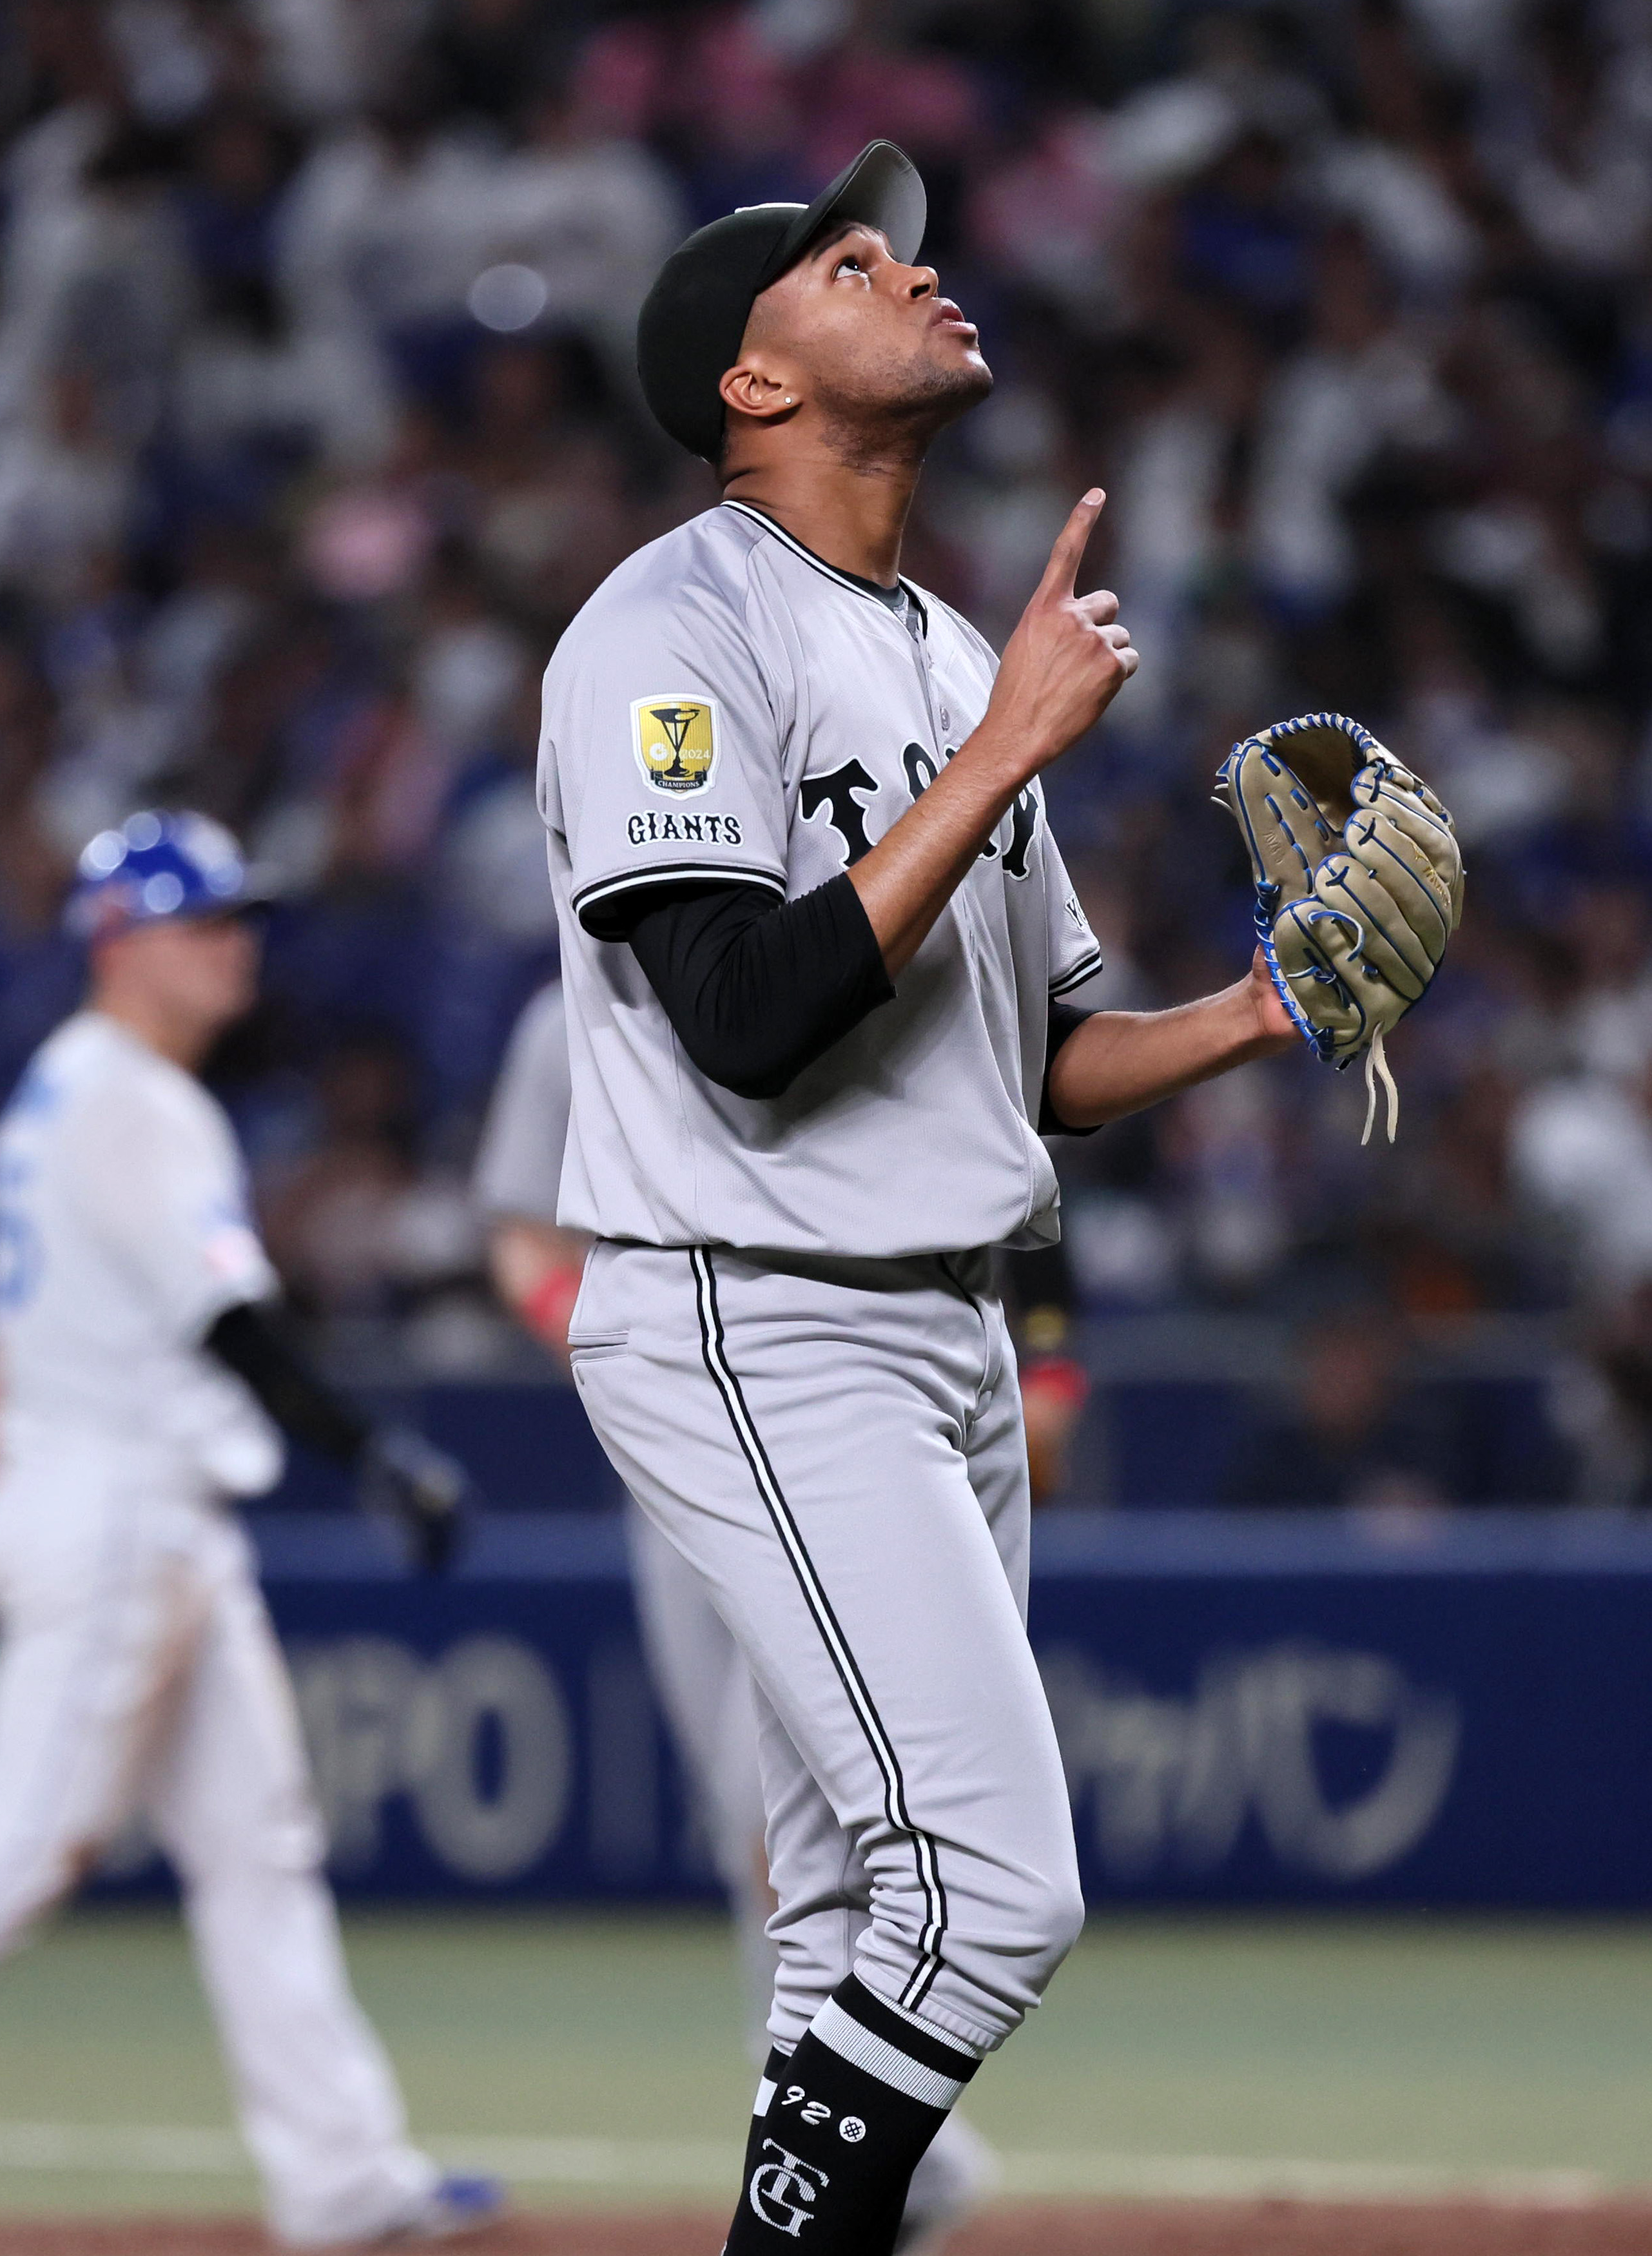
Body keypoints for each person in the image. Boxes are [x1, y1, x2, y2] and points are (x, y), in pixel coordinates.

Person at [539, 141, 1299, 2253]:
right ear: (753, 385)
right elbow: (746, 1016)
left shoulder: (961, 649)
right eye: (848, 264)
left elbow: (1043, 1062)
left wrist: (1260, 1010)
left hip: (947, 1311)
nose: (912, 268)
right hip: (755, 1303)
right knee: (992, 1888)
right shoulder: (665, 627)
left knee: (853, 1913)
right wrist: (1009, 751)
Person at [0, 812, 499, 2255]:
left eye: (242, 920)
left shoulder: (58, 1096)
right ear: (119, 943)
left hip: (121, 1502)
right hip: (118, 1506)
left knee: (257, 1843)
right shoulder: (131, 1103)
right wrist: (375, 1455)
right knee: (20, 1842)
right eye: (206, 922)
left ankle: (342, 2178)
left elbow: (4, 1349)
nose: (237, 946)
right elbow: (234, 1325)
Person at [474, 979, 998, 2251]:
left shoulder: (837, 959)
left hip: (837, 1420)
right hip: (675, 1457)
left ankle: (868, 2135)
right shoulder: (562, 1015)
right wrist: (615, 1346)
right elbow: (520, 1242)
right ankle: (868, 2142)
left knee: (807, 1819)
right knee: (747, 1816)